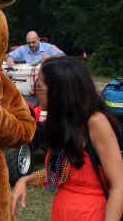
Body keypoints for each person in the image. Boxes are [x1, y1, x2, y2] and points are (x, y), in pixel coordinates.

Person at [11, 57, 123, 221]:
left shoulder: (96, 123)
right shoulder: (62, 125)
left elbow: (118, 185)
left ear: (58, 91)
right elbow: (58, 175)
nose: (34, 91)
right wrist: (25, 180)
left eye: (39, 87)